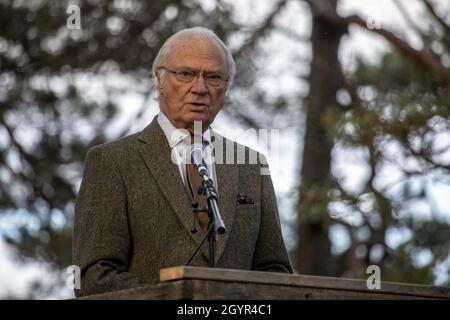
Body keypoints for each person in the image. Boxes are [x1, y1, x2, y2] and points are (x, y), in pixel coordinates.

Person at [72, 26, 293, 297]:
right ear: (159, 79)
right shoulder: (112, 161)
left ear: (226, 87)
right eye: (186, 74)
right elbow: (94, 277)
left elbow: (277, 273)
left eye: (213, 77)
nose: (199, 88)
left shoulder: (250, 164)